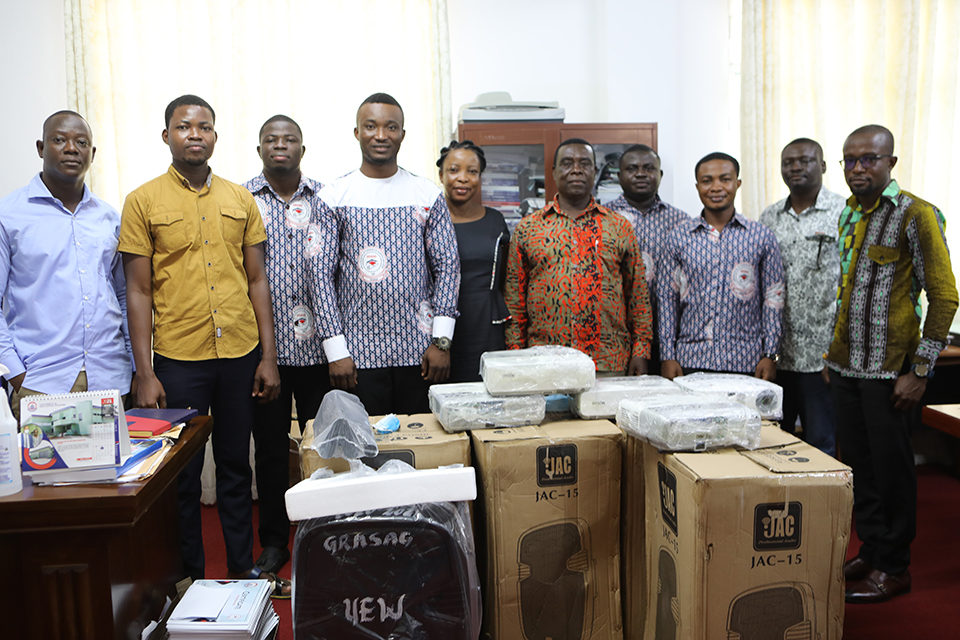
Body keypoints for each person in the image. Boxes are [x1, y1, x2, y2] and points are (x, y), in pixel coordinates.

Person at [119, 95, 282, 587]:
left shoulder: (240, 199)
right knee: (180, 476)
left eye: (204, 126)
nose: (195, 134)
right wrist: (144, 372)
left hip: (238, 351)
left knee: (236, 464)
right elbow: (138, 289)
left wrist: (268, 357)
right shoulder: (142, 201)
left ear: (215, 136)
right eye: (184, 126)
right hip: (177, 359)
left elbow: (257, 282)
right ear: (166, 135)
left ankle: (240, 566)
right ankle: (186, 576)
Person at [828, 125, 958, 603]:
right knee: (859, 467)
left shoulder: (916, 215)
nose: (858, 168)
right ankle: (873, 549)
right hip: (845, 369)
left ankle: (896, 567)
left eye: (869, 159)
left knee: (893, 470)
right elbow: (844, 295)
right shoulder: (847, 214)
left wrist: (920, 371)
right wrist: (831, 356)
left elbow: (945, 296)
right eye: (849, 160)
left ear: (891, 164)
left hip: (891, 374)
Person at [310, 93, 460, 415]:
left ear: (402, 135)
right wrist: (335, 350)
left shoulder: (427, 195)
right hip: (355, 355)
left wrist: (442, 342)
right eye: (371, 126)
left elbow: (448, 267)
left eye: (391, 127)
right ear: (357, 133)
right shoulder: (333, 196)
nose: (381, 135)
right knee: (366, 453)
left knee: (421, 450)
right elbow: (319, 277)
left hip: (421, 354)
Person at [0, 111, 133, 422]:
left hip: (110, 379)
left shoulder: (109, 218)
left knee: (113, 471)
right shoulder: (8, 215)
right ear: (41, 148)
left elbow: (124, 297)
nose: (71, 148)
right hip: (40, 384)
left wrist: (136, 368)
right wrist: (16, 374)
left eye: (81, 142)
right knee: (48, 471)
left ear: (92, 153)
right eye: (59, 140)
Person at [243, 115, 330, 574]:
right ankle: (275, 542)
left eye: (289, 139)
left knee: (322, 447)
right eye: (271, 140)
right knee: (273, 452)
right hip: (265, 353)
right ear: (259, 149)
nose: (281, 146)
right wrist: (264, 355)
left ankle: (323, 531)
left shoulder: (325, 197)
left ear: (302, 147)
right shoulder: (240, 198)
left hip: (320, 349)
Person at [504, 138, 652, 375]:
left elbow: (638, 295)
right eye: (567, 163)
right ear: (553, 172)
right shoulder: (528, 228)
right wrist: (515, 354)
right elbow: (514, 301)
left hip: (608, 361)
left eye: (584, 163)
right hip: (543, 363)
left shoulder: (620, 227)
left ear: (594, 171)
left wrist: (641, 351)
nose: (576, 169)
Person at [658, 152, 784, 380]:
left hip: (747, 361)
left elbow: (773, 299)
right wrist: (667, 355)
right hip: (690, 360)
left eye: (724, 179)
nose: (716, 187)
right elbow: (667, 298)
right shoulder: (678, 237)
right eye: (707, 181)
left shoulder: (761, 236)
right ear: (697, 186)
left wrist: (771, 354)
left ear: (738, 183)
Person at [759, 138, 845, 456]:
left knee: (820, 441)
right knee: (773, 442)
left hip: (820, 356)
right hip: (776, 355)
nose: (796, 167)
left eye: (805, 160)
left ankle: (821, 506)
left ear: (822, 166)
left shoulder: (844, 212)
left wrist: (837, 352)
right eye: (788, 162)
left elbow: (849, 285)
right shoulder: (769, 217)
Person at [608, 144, 689, 375]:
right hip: (617, 337)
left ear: (660, 175)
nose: (641, 173)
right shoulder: (604, 219)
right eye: (632, 168)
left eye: (648, 168)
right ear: (619, 176)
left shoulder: (682, 222)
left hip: (671, 340)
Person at [436, 140, 510, 382]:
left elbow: (507, 279)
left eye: (472, 171)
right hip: (439, 330)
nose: (463, 178)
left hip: (487, 325)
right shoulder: (429, 219)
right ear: (441, 174)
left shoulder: (495, 220)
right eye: (454, 170)